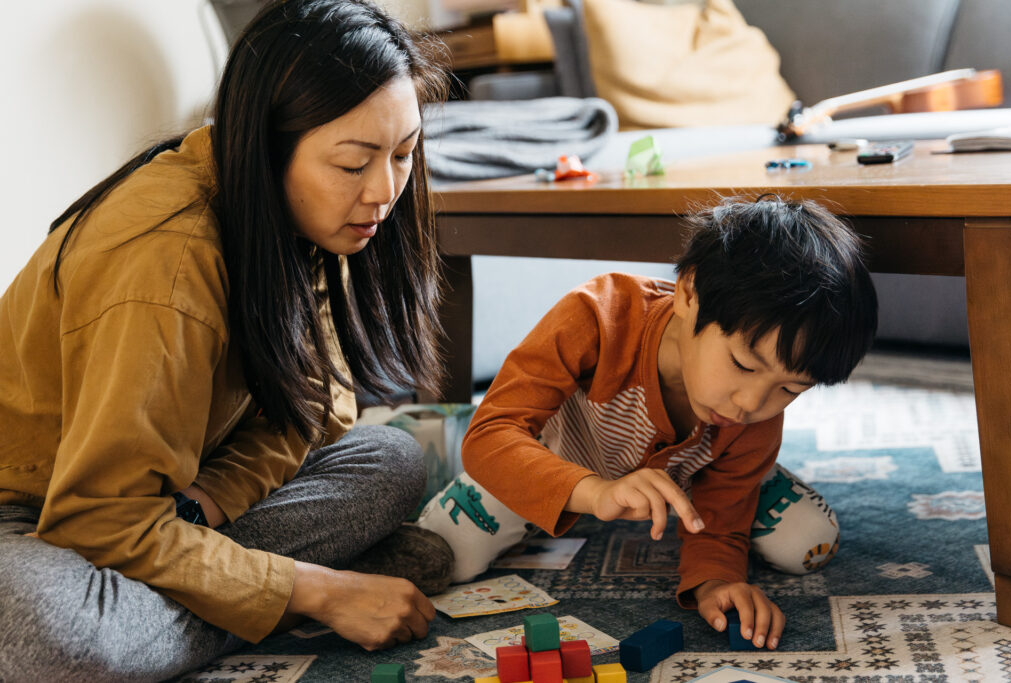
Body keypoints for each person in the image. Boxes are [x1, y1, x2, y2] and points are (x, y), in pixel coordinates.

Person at [0, 0, 455, 679]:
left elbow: (316, 413)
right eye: (354, 164)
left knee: (391, 458)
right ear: (270, 147)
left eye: (403, 153)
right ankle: (287, 592)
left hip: (178, 495)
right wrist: (316, 591)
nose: (385, 191)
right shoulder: (166, 261)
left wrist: (205, 503)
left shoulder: (296, 215)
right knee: (56, 636)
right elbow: (96, 517)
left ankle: (228, 587)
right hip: (43, 519)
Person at [418, 195, 878, 651]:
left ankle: (752, 476)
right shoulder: (596, 316)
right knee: (443, 555)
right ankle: (433, 429)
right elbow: (491, 437)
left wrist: (716, 583)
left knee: (808, 543)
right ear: (688, 293)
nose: (749, 403)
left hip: (687, 476)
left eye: (791, 390)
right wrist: (594, 492)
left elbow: (719, 531)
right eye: (743, 364)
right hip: (545, 457)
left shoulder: (756, 414)